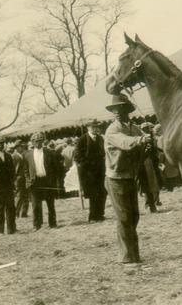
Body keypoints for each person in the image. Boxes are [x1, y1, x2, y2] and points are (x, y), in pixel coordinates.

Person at [103, 93, 151, 264]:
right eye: (114, 110)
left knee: (133, 216)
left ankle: (132, 254)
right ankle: (127, 256)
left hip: (130, 177)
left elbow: (143, 142)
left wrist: (149, 138)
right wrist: (141, 139)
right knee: (124, 218)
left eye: (120, 108)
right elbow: (124, 142)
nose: (116, 112)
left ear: (127, 110)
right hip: (115, 179)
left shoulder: (134, 127)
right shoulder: (112, 130)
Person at [24, 131, 63, 230]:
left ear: (43, 142)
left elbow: (56, 168)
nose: (38, 143)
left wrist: (55, 181)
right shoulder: (27, 155)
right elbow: (25, 170)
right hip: (35, 182)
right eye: (36, 141)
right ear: (32, 142)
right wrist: (29, 180)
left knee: (50, 204)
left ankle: (52, 223)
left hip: (47, 181)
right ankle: (36, 225)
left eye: (40, 141)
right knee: (36, 205)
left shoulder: (49, 153)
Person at [75, 119, 107, 222]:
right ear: (88, 128)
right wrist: (87, 165)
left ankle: (101, 214)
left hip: (101, 171)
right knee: (93, 194)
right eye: (92, 127)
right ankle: (93, 216)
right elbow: (78, 156)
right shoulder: (82, 139)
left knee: (102, 192)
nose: (95, 129)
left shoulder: (100, 138)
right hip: (89, 172)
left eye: (96, 127)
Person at [12, 140, 30, 218]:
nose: (23, 148)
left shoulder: (24, 155)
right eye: (21, 146)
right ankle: (16, 212)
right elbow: (13, 170)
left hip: (25, 179)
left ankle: (24, 213)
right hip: (19, 179)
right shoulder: (14, 157)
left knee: (26, 196)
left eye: (23, 146)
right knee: (19, 196)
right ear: (17, 148)